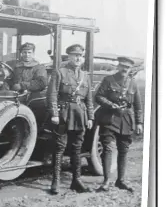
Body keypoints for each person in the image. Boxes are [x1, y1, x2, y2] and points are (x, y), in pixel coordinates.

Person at [47, 44, 94, 194]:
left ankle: (77, 180)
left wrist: (91, 117)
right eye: (75, 55)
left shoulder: (85, 76)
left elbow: (89, 99)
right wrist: (54, 114)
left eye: (80, 55)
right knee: (59, 147)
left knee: (77, 148)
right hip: (64, 114)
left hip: (80, 115)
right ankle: (56, 182)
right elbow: (52, 95)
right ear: (68, 57)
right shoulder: (60, 72)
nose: (78, 58)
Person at [95, 56, 143, 192]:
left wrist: (139, 122)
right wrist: (111, 105)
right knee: (108, 149)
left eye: (127, 68)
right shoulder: (108, 80)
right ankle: (106, 181)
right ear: (118, 66)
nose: (124, 69)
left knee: (123, 150)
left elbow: (138, 105)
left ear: (130, 69)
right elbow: (98, 96)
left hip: (126, 119)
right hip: (109, 118)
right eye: (122, 66)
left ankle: (120, 181)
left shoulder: (133, 83)